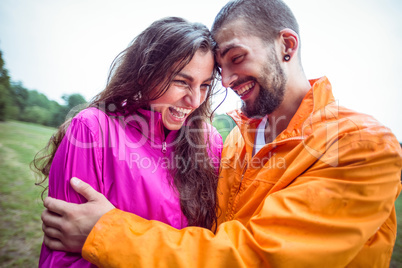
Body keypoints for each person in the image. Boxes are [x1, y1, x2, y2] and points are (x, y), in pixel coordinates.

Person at [41, 0, 402, 267]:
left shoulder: (360, 144)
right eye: (221, 70)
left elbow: (257, 257)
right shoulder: (233, 143)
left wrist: (106, 232)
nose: (226, 82)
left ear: (287, 46)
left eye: (237, 58)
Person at [34, 17, 223, 267]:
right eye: (181, 82)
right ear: (145, 75)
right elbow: (62, 258)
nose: (195, 100)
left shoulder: (211, 143)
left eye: (205, 86)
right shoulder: (92, 131)